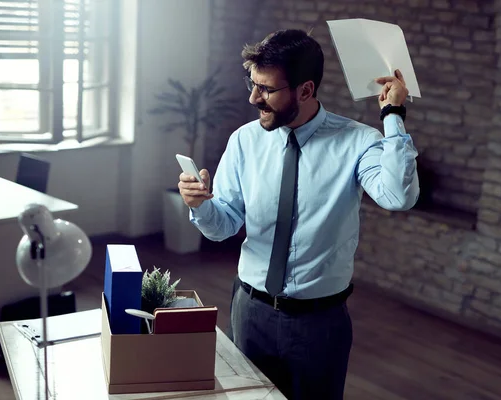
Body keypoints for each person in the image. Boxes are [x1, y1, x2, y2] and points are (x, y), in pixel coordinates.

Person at [178, 29, 419, 400]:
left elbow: (398, 196)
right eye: (252, 84)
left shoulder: (359, 142)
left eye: (267, 89)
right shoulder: (245, 140)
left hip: (318, 322)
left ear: (305, 91)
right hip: (249, 310)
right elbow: (222, 226)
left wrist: (393, 116)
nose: (253, 97)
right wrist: (201, 205)